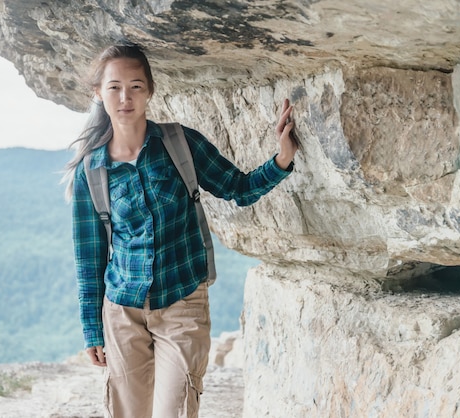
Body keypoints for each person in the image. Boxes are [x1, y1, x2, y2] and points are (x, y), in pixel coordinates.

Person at [64, 42, 298, 418]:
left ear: (150, 90)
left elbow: (236, 188)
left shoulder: (179, 144)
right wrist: (92, 329)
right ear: (98, 93)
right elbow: (88, 259)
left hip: (182, 303)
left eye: (136, 86)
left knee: (177, 410)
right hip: (123, 311)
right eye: (115, 87)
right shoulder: (91, 172)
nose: (126, 97)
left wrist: (282, 159)